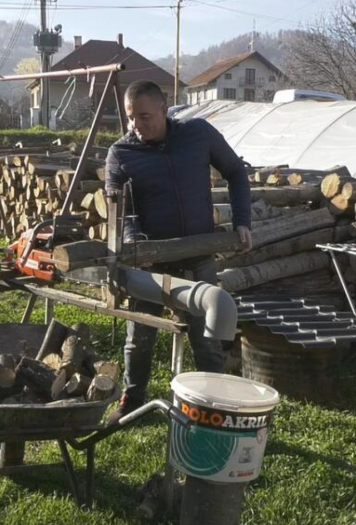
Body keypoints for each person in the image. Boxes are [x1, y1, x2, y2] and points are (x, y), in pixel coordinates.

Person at [104, 80, 252, 423]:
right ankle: (132, 401)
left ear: (163, 108)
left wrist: (242, 220)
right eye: (130, 118)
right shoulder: (121, 153)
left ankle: (210, 407)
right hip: (152, 262)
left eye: (143, 117)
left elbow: (236, 172)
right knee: (139, 337)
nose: (136, 126)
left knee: (207, 340)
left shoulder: (198, 134)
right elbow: (119, 209)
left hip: (199, 253)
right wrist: (137, 243)